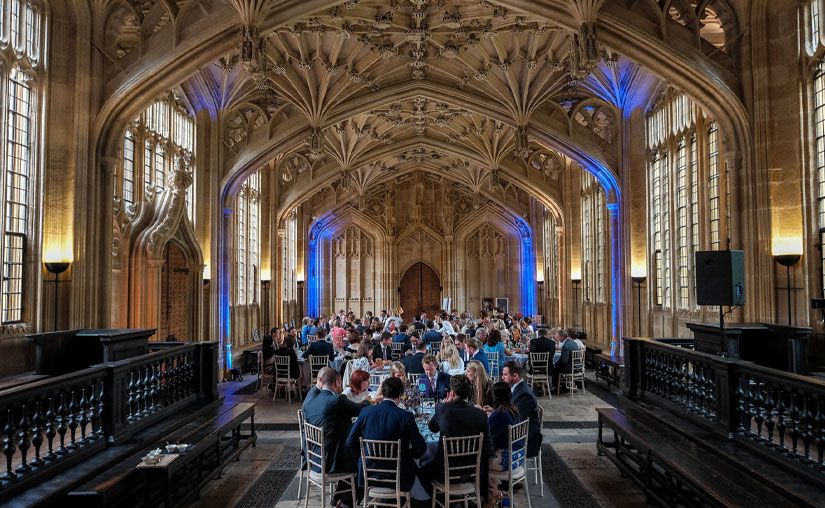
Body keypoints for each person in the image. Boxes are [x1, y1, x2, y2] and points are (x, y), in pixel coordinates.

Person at [346, 376, 428, 493]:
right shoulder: (405, 416)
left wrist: (365, 456)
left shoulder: (365, 412)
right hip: (398, 477)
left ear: (383, 393)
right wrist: (405, 454)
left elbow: (350, 442)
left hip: (369, 473)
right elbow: (421, 449)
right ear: (400, 394)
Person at [422, 374, 492, 503]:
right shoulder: (481, 415)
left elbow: (432, 428)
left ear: (452, 392)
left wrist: (445, 404)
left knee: (422, 465)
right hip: (472, 472)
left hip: (445, 473)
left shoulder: (442, 409)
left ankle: (438, 499)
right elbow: (488, 448)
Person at [301, 368, 366, 504]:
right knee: (365, 459)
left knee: (354, 453)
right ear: (337, 382)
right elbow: (361, 410)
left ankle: (338, 498)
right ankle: (346, 502)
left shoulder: (312, 400)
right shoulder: (337, 400)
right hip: (331, 462)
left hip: (315, 459)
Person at [487, 381, 525, 494]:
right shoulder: (513, 409)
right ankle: (504, 484)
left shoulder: (498, 414)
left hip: (506, 461)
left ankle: (485, 490)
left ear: (495, 396)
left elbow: (488, 438)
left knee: (478, 456)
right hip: (518, 456)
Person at [502, 361, 543, 459]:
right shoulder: (516, 388)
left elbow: (518, 421)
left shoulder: (524, 395)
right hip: (519, 431)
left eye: (505, 375)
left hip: (525, 438)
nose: (502, 377)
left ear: (515, 376)